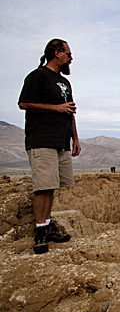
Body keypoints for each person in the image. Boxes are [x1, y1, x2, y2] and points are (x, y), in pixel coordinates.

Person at [18, 39, 81, 254]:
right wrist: (56, 108)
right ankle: (40, 233)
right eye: (69, 54)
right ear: (57, 53)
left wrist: (75, 138)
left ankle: (46, 225)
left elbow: (70, 111)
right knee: (42, 186)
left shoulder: (64, 82)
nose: (71, 58)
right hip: (42, 138)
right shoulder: (38, 76)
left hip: (60, 140)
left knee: (51, 185)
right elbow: (23, 103)